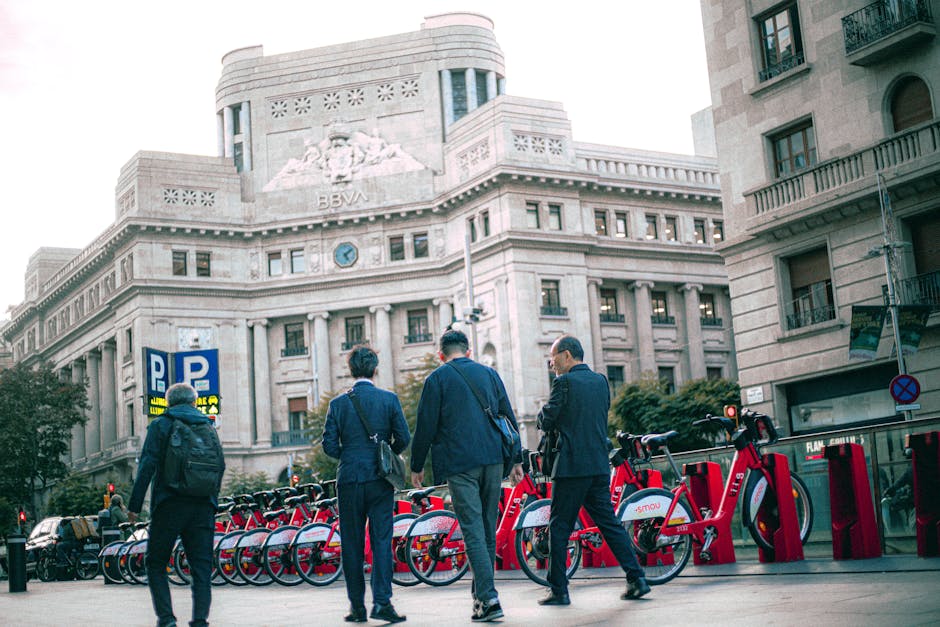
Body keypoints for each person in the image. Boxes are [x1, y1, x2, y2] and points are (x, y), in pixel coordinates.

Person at [410, 329, 523, 623]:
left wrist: (417, 465)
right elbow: (507, 415)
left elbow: (425, 425)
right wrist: (517, 459)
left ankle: (488, 598)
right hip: (493, 460)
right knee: (486, 528)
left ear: (441, 355)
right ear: (469, 351)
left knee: (473, 528)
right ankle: (480, 598)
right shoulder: (489, 374)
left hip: (460, 463)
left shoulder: (436, 379)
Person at [536, 335, 650, 606]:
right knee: (609, 524)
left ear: (566, 355)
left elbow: (547, 419)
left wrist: (544, 414)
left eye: (553, 358)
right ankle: (637, 578)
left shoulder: (563, 383)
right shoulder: (601, 381)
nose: (552, 364)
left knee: (559, 526)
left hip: (571, 466)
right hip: (599, 464)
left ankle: (559, 590)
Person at [322, 345, 410, 624]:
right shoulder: (389, 399)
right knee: (382, 541)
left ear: (350, 371)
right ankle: (383, 603)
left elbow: (328, 445)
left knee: (351, 544)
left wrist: (348, 456)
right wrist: (386, 452)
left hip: (348, 478)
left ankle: (357, 607)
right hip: (379, 479)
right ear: (375, 369)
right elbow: (404, 438)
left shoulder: (337, 404)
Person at [129, 382, 224, 627]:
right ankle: (200, 620)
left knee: (156, 562)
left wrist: (135, 505)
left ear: (169, 402)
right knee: (201, 567)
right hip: (203, 506)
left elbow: (147, 465)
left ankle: (167, 619)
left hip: (169, 503)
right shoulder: (208, 426)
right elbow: (219, 466)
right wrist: (212, 500)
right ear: (193, 402)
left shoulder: (161, 424)